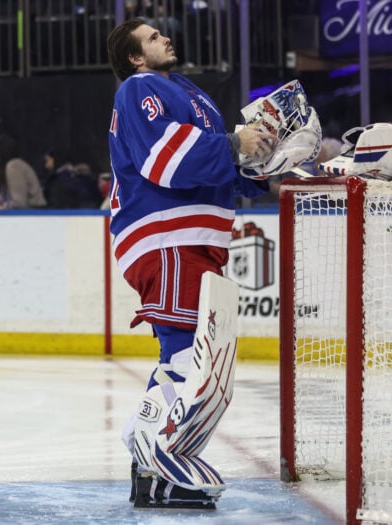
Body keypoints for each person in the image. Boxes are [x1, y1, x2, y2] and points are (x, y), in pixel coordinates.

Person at [106, 18, 275, 509]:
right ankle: (161, 460)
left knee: (178, 356)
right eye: (152, 37)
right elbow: (165, 159)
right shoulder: (140, 89)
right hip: (166, 234)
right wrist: (233, 145)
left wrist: (263, 170)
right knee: (190, 359)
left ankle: (147, 463)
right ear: (136, 57)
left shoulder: (186, 91)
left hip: (188, 236)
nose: (165, 37)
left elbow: (214, 167)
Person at [0, 135, 46, 209]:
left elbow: (19, 203)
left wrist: (1, 208)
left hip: (34, 215)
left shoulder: (14, 166)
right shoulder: (10, 167)